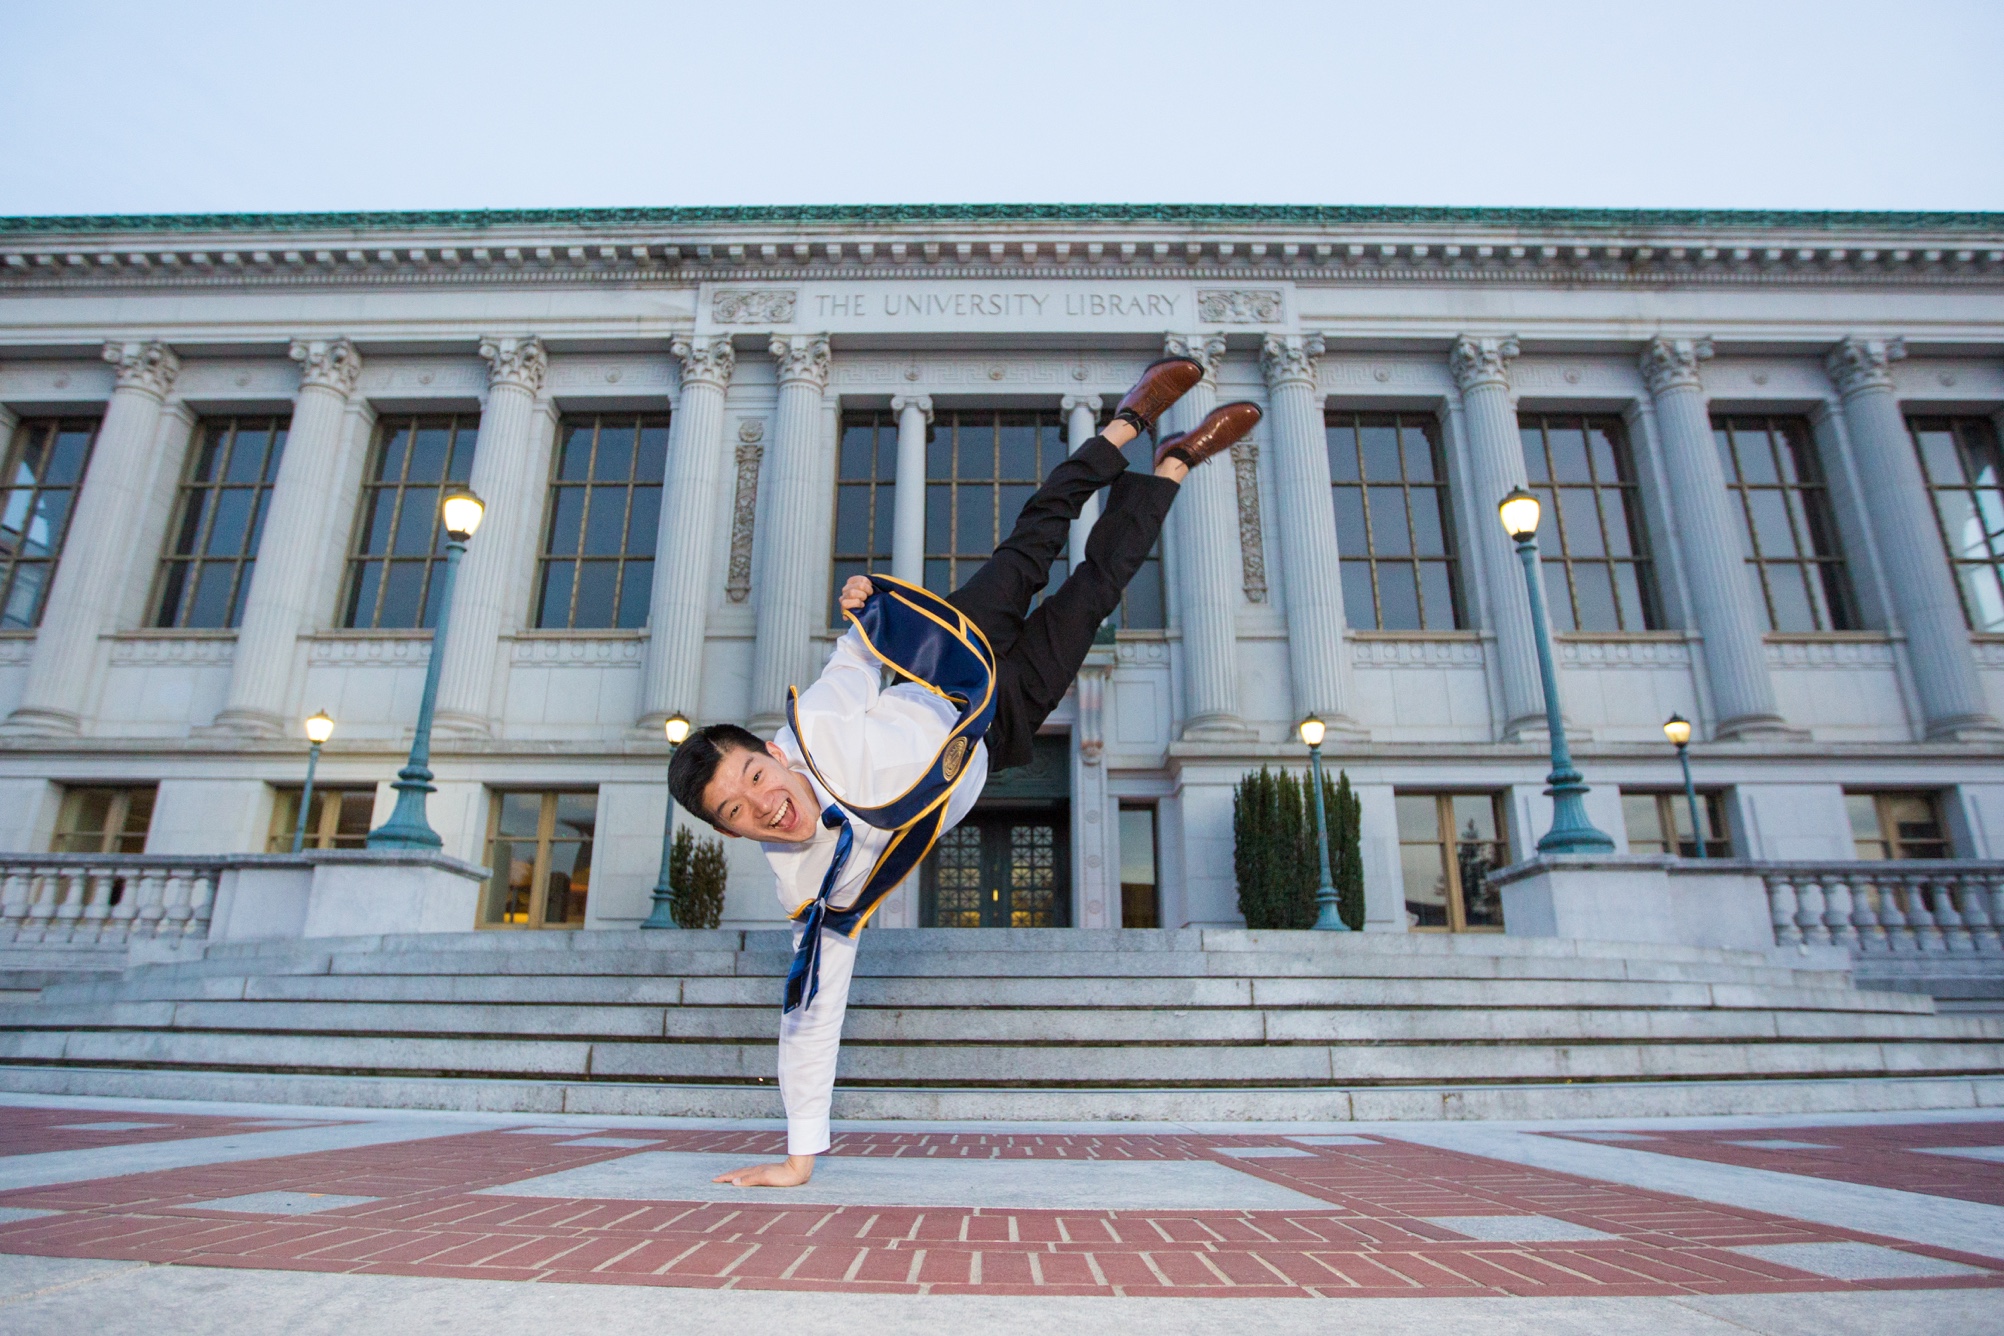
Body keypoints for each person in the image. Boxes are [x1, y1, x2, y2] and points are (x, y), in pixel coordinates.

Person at [666, 356, 1262, 1187]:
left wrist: (864, 597)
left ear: (768, 755)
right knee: (1096, 589)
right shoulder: (811, 883)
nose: (761, 807)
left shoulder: (816, 723)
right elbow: (811, 1010)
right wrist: (801, 1153)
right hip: (997, 721)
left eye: (751, 781)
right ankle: (1174, 463)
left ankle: (1125, 423)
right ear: (731, 832)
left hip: (954, 652)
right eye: (734, 813)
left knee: (1037, 533)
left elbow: (857, 650)